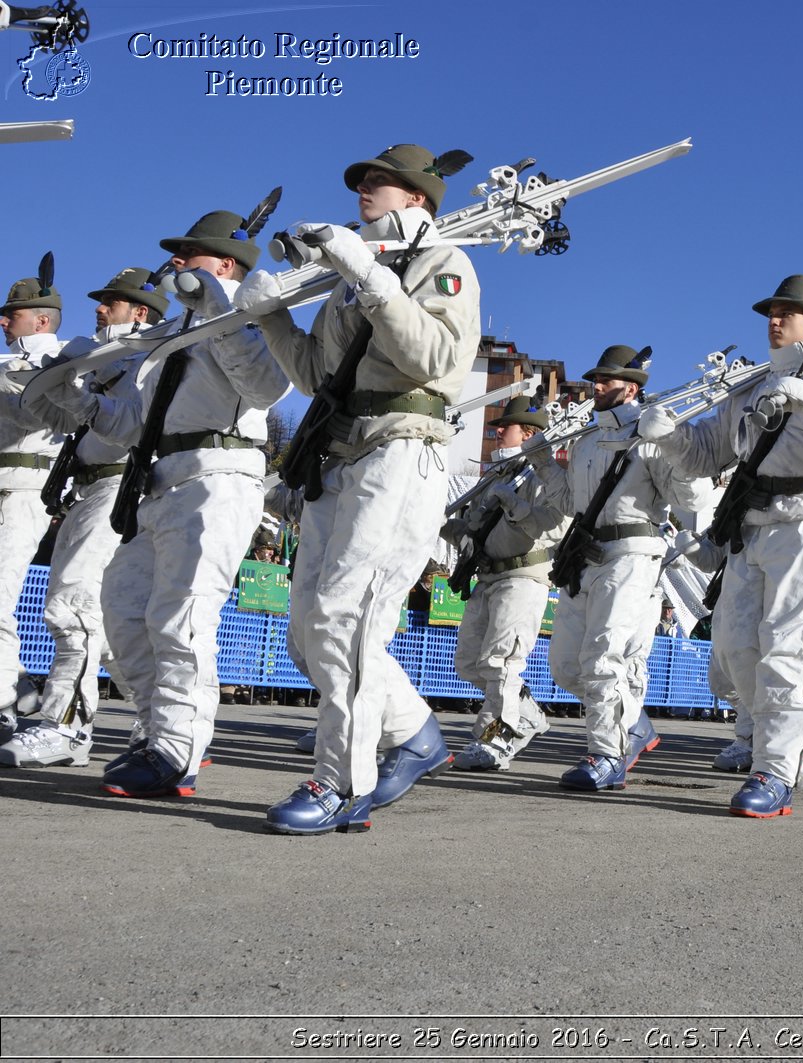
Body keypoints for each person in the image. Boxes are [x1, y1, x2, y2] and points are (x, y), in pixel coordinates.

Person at [235, 144, 480, 833]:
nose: (364, 190)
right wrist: (272, 318)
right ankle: (417, 735)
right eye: (363, 181)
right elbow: (317, 374)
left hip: (403, 449)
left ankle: (342, 785)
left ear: (419, 199)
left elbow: (431, 358)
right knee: (308, 632)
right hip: (339, 453)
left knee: (345, 617)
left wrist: (367, 271)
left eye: (380, 182)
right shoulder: (349, 278)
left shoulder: (445, 265)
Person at [58, 208, 291, 798]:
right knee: (122, 609)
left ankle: (176, 748)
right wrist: (78, 402)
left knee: (182, 618)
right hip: (157, 478)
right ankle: (157, 727)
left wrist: (217, 308)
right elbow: (133, 422)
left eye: (190, 254)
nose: (177, 264)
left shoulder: (253, 309)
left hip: (219, 474)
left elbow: (267, 386)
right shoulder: (168, 333)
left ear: (225, 264)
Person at [638, 270, 803, 816]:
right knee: (733, 649)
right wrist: (672, 435)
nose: (774, 321)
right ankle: (796, 742)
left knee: (787, 651)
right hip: (751, 529)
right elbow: (708, 454)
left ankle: (775, 770)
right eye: (771, 313)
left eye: (786, 313)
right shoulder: (748, 389)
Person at [0, 268, 167, 768]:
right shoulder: (95, 358)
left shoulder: (146, 358)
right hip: (87, 485)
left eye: (110, 302)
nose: (97, 307)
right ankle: (163, 719)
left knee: (73, 602)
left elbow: (128, 421)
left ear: (139, 312)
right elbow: (65, 421)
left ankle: (67, 728)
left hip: (120, 482)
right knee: (110, 620)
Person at [535, 345, 711, 792]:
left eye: (605, 381)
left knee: (602, 656)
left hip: (633, 555)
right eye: (595, 380)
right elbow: (570, 504)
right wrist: (541, 461)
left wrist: (673, 442)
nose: (595, 387)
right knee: (564, 667)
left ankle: (606, 755)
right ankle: (635, 724)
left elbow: (691, 505)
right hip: (586, 555)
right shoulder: (587, 442)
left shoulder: (651, 438)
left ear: (631, 388)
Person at [447, 396, 567, 771]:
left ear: (528, 433)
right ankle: (525, 711)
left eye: (507, 426)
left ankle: (498, 737)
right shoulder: (498, 473)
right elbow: (477, 527)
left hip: (523, 577)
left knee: (501, 662)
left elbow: (556, 527)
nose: (497, 430)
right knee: (469, 664)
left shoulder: (540, 475)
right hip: (488, 575)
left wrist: (516, 505)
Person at [0, 265, 64, 739]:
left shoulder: (62, 360)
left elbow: (34, 411)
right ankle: (18, 685)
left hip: (25, 489)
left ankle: (4, 704)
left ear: (41, 320)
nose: (3, 323)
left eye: (12, 315)